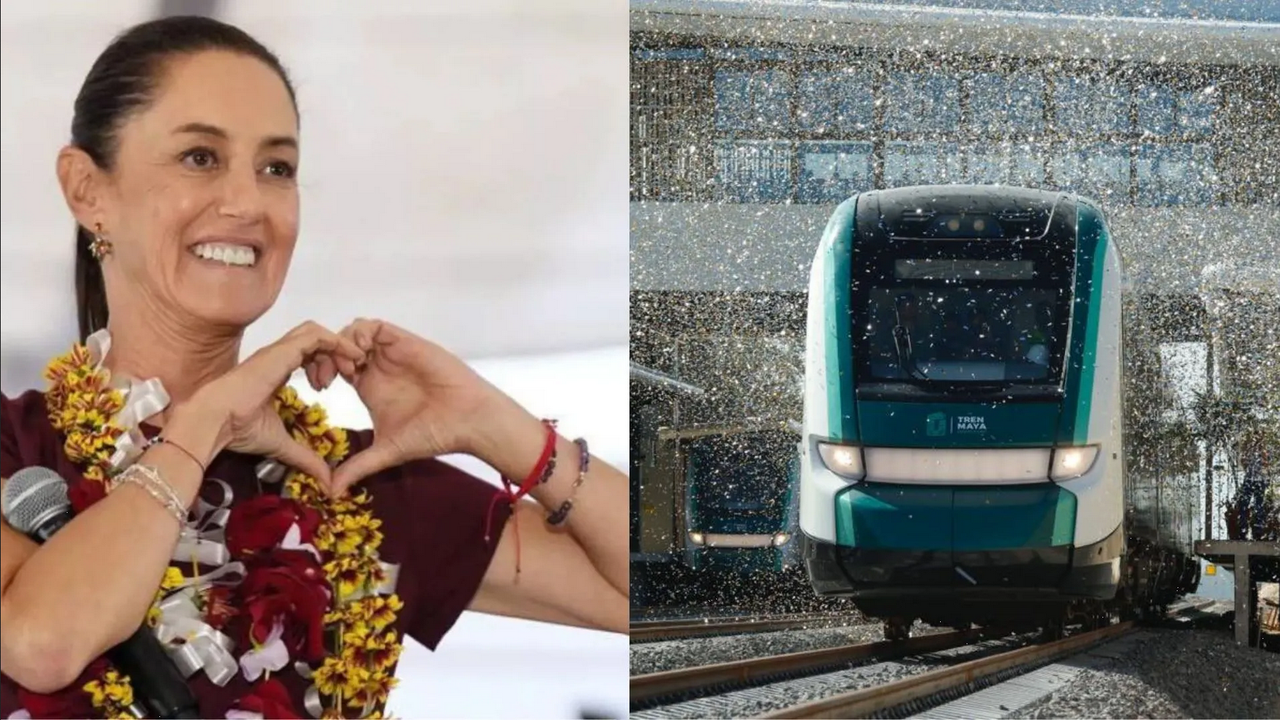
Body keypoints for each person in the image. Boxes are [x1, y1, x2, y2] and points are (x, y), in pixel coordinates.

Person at [0, 16, 627, 720]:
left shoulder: (352, 489)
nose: (246, 203)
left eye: (277, 169)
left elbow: (675, 594)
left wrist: (495, 424)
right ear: (87, 189)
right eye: (200, 157)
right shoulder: (14, 450)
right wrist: (205, 424)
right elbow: (42, 642)